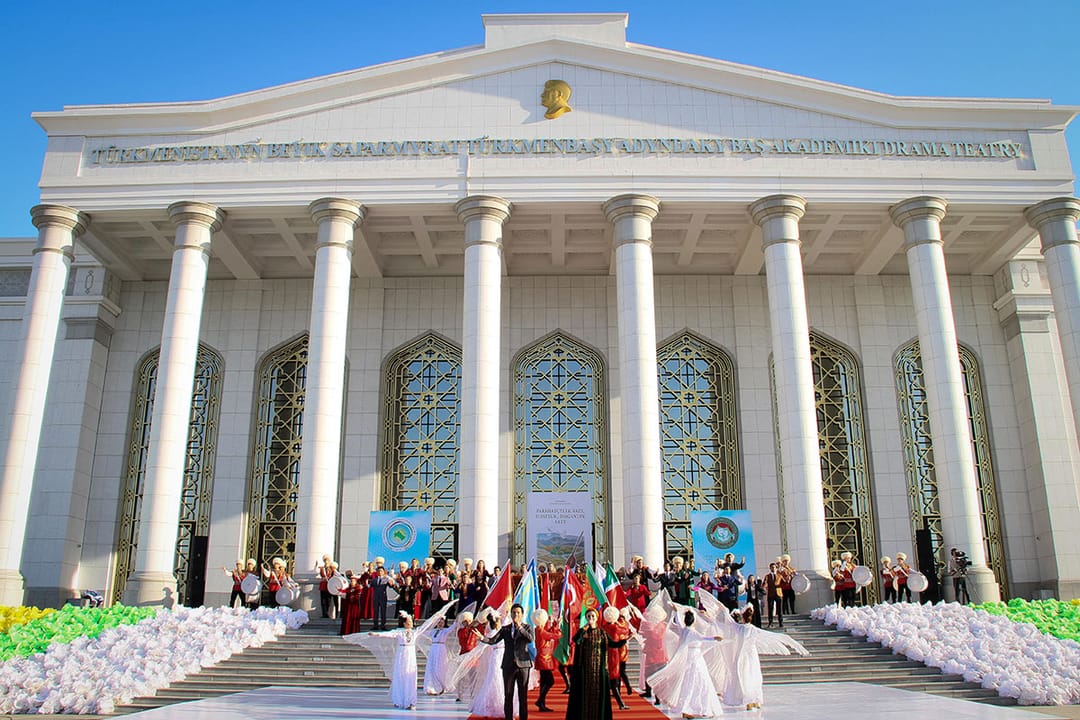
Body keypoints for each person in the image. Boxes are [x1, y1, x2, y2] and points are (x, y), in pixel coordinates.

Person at [346, 603, 457, 710]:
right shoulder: (400, 632)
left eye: (411, 620)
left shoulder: (415, 632)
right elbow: (389, 634)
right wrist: (376, 634)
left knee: (411, 677)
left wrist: (439, 614)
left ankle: (410, 701)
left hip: (411, 656)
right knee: (401, 676)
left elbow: (427, 623)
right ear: (404, 623)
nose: (411, 622)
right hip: (402, 655)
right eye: (409, 621)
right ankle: (400, 699)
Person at [721, 606, 808, 711]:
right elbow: (770, 635)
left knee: (745, 677)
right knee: (754, 676)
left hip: (743, 655)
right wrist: (786, 639)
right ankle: (755, 700)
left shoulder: (739, 628)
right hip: (751, 655)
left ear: (743, 617)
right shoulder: (753, 629)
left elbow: (728, 623)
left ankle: (749, 700)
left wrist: (723, 611)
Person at [647, 609, 724, 718]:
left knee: (689, 683)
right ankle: (693, 708)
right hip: (696, 660)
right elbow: (704, 638)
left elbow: (678, 621)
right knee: (699, 682)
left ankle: (687, 709)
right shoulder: (692, 632)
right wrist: (715, 638)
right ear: (693, 621)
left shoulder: (684, 630)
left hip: (689, 658)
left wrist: (676, 611)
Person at [479, 603, 535, 720]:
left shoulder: (528, 627)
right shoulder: (505, 629)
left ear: (522, 615)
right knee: (508, 695)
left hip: (523, 665)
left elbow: (530, 639)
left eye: (518, 613)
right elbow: (493, 640)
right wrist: (482, 638)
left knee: (522, 696)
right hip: (508, 665)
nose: (516, 615)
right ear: (511, 614)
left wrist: (519, 627)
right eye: (514, 612)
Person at [566, 607, 615, 720]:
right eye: (589, 616)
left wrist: (625, 640)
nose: (591, 618)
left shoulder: (602, 633)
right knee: (584, 695)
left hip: (598, 670)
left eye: (593, 616)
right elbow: (576, 640)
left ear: (597, 618)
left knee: (598, 696)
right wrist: (583, 630)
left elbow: (613, 644)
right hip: (585, 669)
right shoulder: (583, 632)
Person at [601, 606, 633, 710]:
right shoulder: (616, 627)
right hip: (614, 654)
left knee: (609, 679)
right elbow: (625, 630)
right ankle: (621, 703)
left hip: (605, 653)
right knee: (614, 679)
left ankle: (620, 702)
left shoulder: (604, 627)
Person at [533, 608, 562, 713]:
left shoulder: (539, 629)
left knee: (544, 681)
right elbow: (555, 636)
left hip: (543, 658)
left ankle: (542, 704)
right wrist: (558, 628)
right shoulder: (541, 631)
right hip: (544, 659)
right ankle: (540, 700)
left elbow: (548, 633)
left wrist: (554, 625)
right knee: (550, 681)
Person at [371, 564, 391, 630]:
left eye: (381, 571)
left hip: (383, 596)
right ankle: (375, 625)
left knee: (383, 611)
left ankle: (383, 625)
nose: (380, 572)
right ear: (377, 572)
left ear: (383, 572)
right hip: (376, 597)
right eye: (378, 571)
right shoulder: (374, 580)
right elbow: (370, 586)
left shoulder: (386, 579)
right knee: (375, 611)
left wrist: (391, 583)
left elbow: (391, 585)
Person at [764, 562, 783, 628]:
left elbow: (784, 583)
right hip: (771, 594)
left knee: (779, 609)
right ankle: (770, 622)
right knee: (770, 609)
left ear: (776, 568)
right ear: (770, 568)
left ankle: (781, 623)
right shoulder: (767, 576)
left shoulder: (779, 575)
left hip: (778, 593)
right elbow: (765, 583)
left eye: (774, 567)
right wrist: (764, 585)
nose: (773, 568)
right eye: (772, 567)